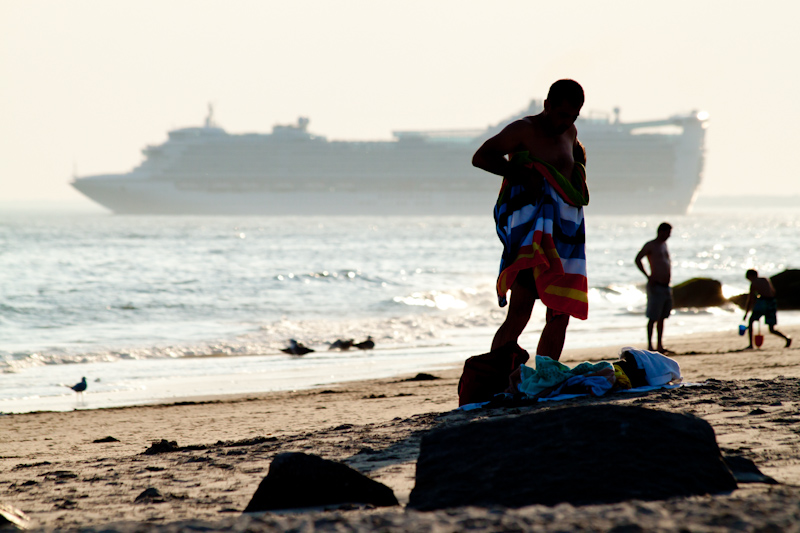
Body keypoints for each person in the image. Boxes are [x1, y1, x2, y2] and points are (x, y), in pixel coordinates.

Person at [472, 79, 589, 360]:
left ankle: (546, 377)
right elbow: (481, 157)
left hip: (565, 237)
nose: (566, 122)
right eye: (561, 114)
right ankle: (495, 378)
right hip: (531, 238)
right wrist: (523, 174)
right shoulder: (523, 129)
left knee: (561, 311)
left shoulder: (570, 132)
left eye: (573, 116)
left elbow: (573, 162)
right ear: (546, 105)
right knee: (520, 311)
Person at [635, 222, 673, 353]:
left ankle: (660, 345)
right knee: (653, 317)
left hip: (666, 286)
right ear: (660, 231)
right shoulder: (651, 245)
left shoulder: (664, 245)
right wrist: (648, 276)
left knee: (663, 317)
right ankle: (650, 345)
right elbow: (638, 259)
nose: (669, 235)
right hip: (655, 285)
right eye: (667, 232)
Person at [743, 269, 791, 349]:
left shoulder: (753, 283)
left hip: (763, 302)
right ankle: (787, 338)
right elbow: (773, 292)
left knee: (751, 321)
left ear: (750, 276)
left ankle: (751, 344)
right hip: (772, 302)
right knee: (771, 329)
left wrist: (746, 313)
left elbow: (750, 299)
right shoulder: (765, 279)